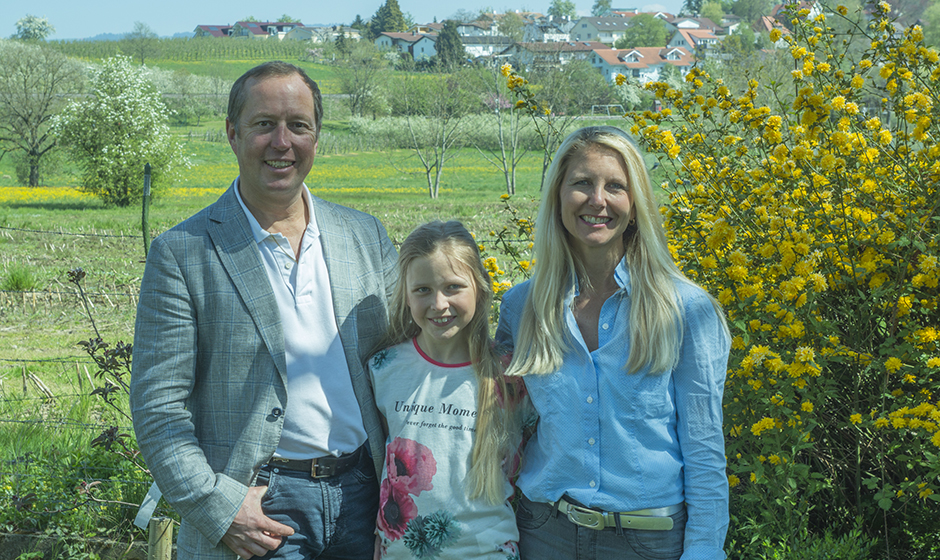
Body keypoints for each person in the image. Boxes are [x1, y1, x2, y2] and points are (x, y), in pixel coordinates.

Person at [130, 61, 398, 560]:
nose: (282, 142)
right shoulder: (184, 252)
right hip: (258, 506)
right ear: (232, 133)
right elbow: (157, 409)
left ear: (318, 137)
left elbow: (411, 358)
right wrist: (218, 506)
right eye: (263, 125)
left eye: (298, 125)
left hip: (365, 496)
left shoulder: (365, 237)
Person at [495, 126, 731, 560]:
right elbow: (503, 432)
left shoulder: (688, 310)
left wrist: (704, 551)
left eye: (615, 186)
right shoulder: (520, 307)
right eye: (582, 183)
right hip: (544, 531)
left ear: (636, 204)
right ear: (558, 197)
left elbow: (704, 449)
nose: (597, 200)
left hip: (650, 540)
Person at [368, 221, 525, 560]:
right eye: (422, 290)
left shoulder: (508, 375)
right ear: (405, 295)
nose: (439, 304)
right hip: (402, 552)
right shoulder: (383, 368)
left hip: (488, 552)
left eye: (453, 287)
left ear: (480, 289)